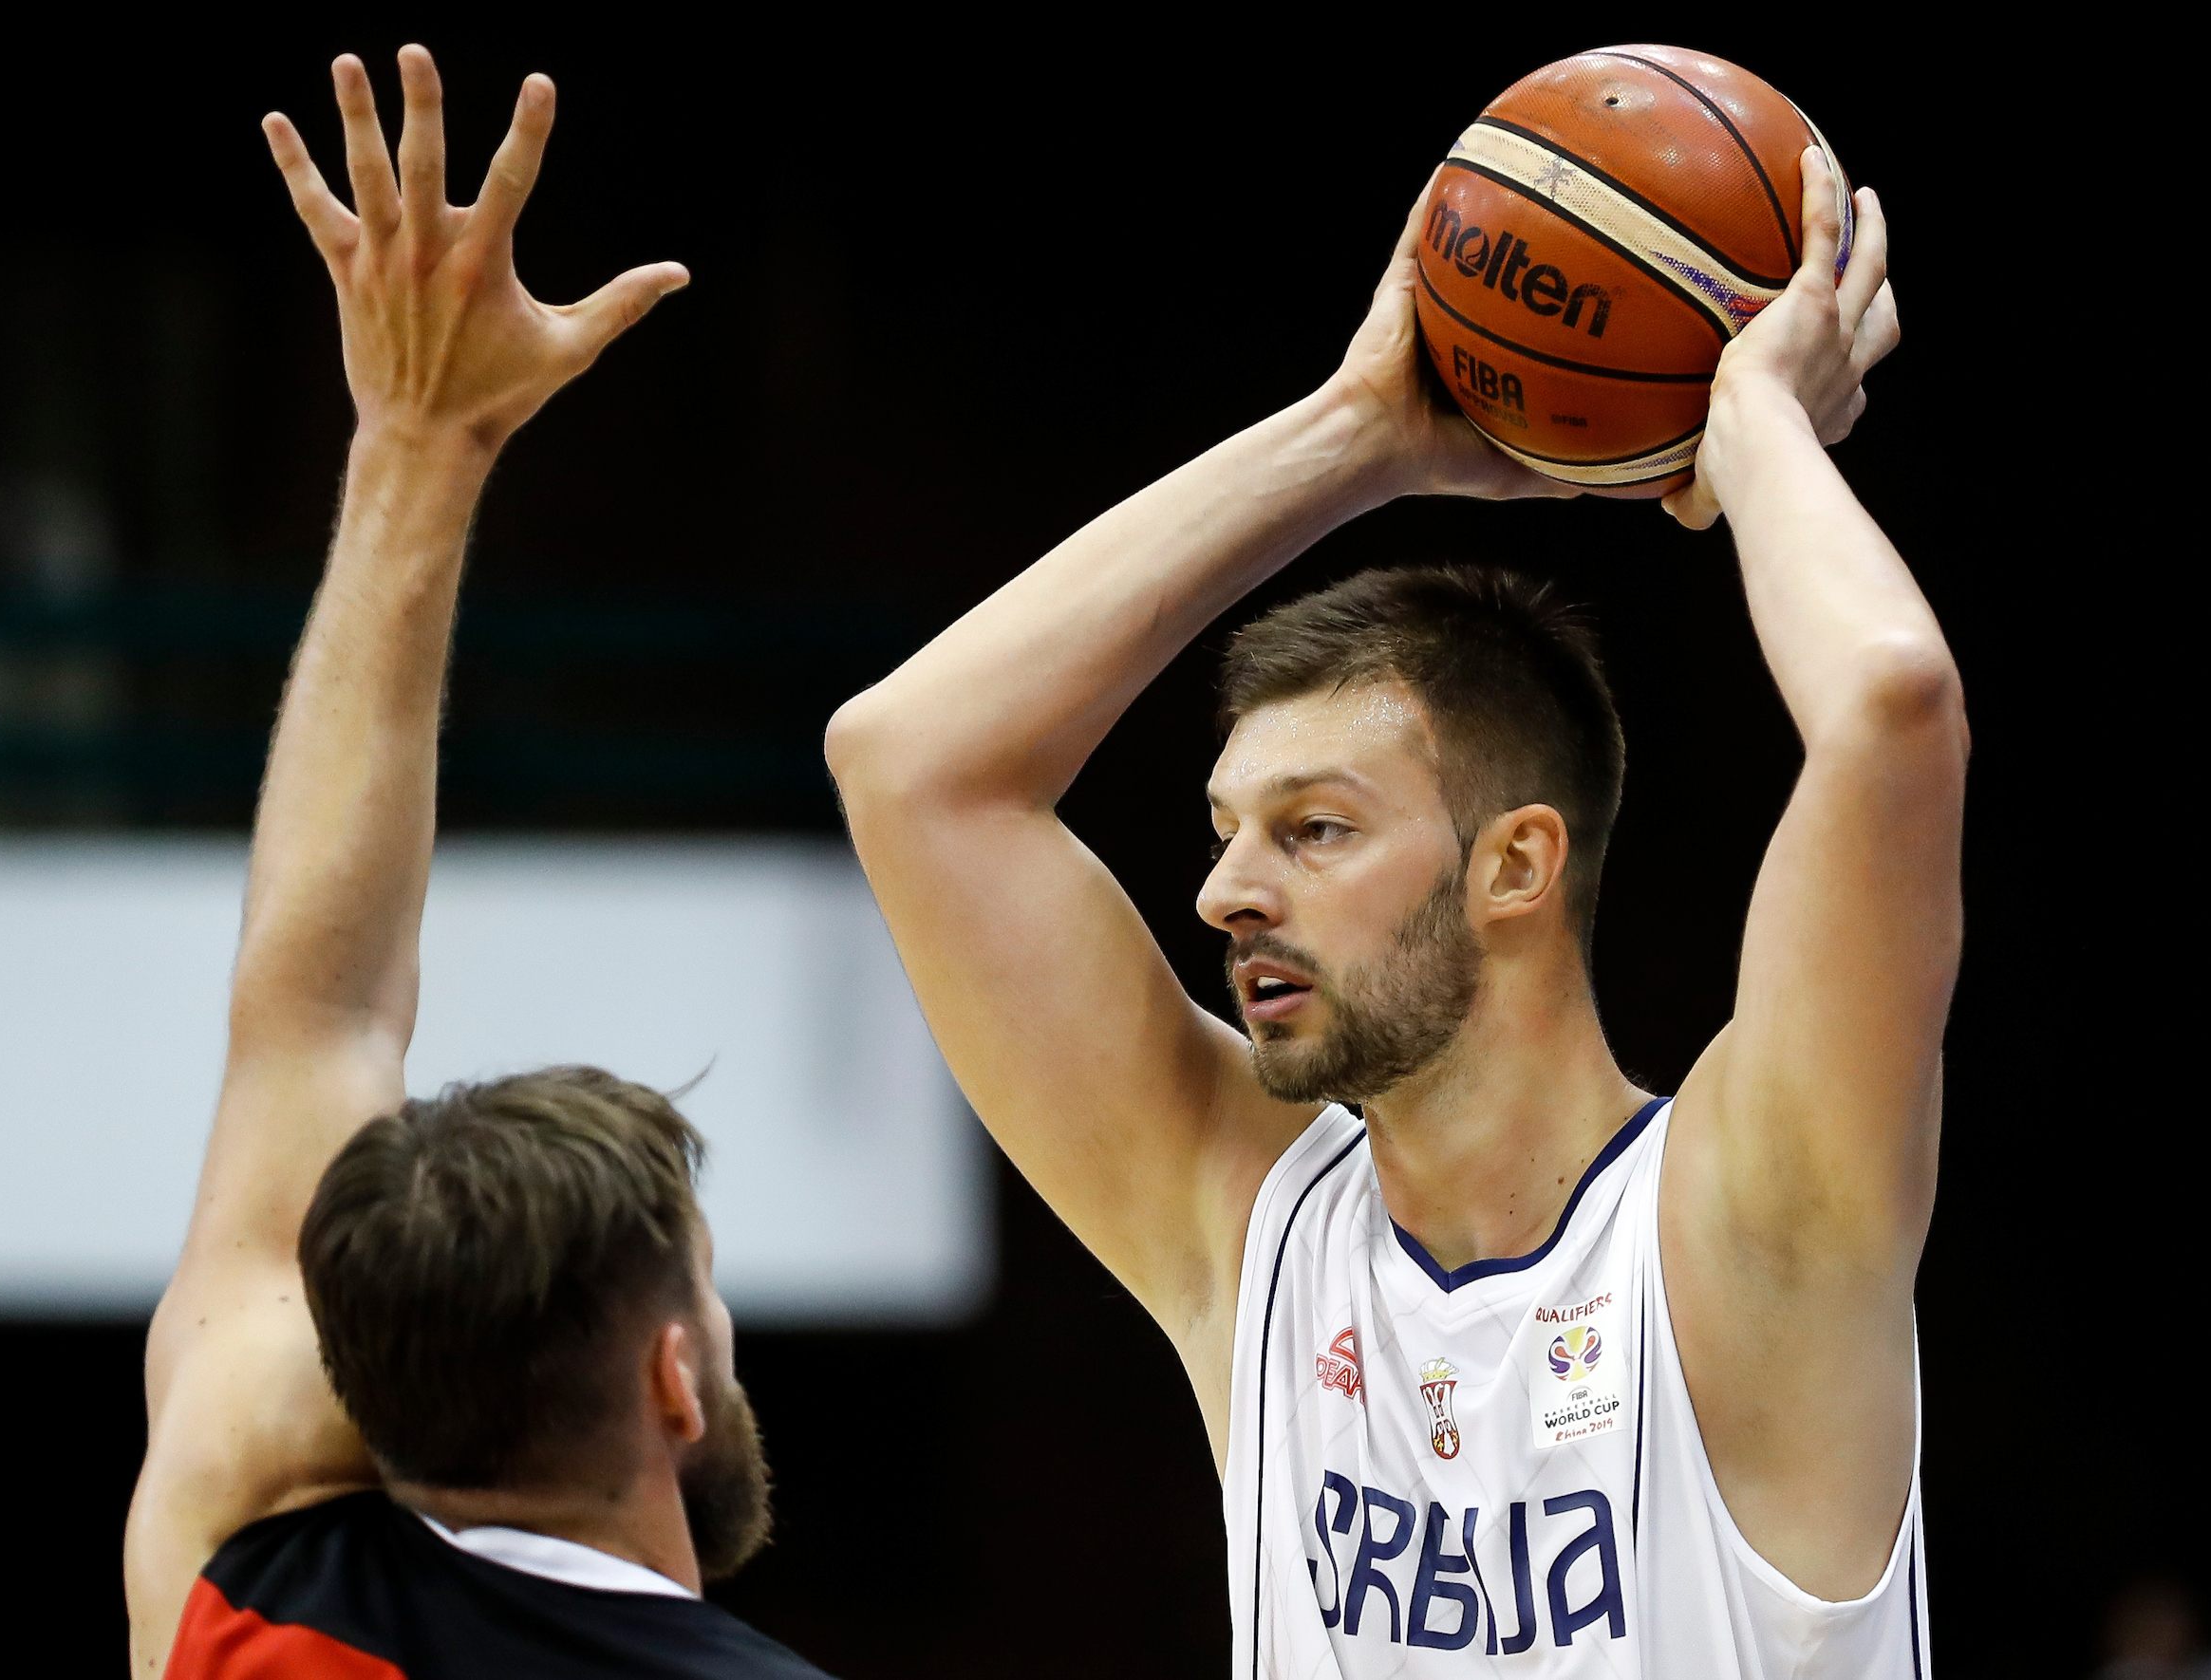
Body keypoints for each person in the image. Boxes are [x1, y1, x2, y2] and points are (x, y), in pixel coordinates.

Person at [828, 139, 1952, 1673]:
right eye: (1227, 829)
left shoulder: (1750, 1221)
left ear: (1516, 864)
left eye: (1315, 829)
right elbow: (906, 763)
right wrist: (1357, 436)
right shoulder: (1252, 1225)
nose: (1227, 890)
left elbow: (1890, 706)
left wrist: (1751, 422)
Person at [123, 48, 828, 1680]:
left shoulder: (236, 1576)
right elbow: (319, 1018)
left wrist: (414, 445)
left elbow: (315, 1009)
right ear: (671, 1379)